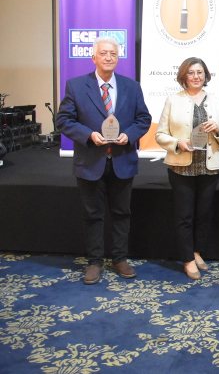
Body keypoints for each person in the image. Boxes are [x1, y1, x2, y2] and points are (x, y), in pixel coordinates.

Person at [57, 37, 151, 284]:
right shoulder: (76, 86)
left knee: (122, 213)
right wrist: (89, 135)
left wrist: (128, 135)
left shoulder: (132, 87)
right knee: (92, 215)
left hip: (122, 160)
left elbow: (143, 119)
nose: (108, 57)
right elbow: (64, 120)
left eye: (113, 53)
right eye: (103, 53)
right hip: (90, 162)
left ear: (118, 58)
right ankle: (95, 262)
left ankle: (120, 258)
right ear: (94, 57)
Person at [155, 57, 219, 280]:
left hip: (209, 167)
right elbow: (160, 135)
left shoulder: (216, 101)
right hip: (181, 168)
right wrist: (177, 143)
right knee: (184, 215)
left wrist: (217, 130)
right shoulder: (172, 100)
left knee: (203, 214)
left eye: (200, 72)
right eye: (191, 73)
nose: (196, 76)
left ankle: (197, 252)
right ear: (184, 76)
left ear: (206, 75)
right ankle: (187, 259)